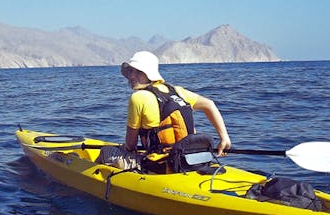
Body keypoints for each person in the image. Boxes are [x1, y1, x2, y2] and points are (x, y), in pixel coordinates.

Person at [96, 51, 231, 171]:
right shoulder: (177, 91)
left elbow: (130, 145)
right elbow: (209, 104)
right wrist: (224, 138)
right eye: (131, 71)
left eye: (138, 72)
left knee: (105, 152)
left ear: (148, 74)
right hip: (189, 161)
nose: (132, 76)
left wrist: (128, 149)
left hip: (159, 166)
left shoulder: (138, 97)